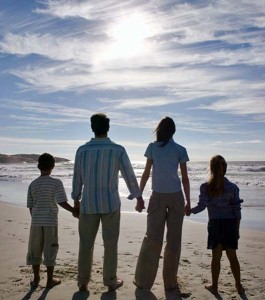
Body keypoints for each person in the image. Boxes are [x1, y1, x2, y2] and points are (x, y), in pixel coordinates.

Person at [72, 113, 144, 292]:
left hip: (88, 204)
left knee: (85, 244)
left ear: (92, 128)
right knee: (110, 244)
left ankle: (83, 282)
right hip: (110, 203)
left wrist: (76, 199)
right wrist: (138, 196)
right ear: (108, 127)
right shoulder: (117, 149)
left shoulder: (82, 150)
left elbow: (77, 177)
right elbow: (129, 174)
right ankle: (110, 281)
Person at [134, 116, 190, 291]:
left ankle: (144, 281)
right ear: (173, 131)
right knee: (173, 241)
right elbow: (185, 179)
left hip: (157, 196)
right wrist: (188, 201)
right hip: (176, 197)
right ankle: (170, 283)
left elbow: (145, 173)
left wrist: (139, 196)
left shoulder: (152, 148)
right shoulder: (180, 149)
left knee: (152, 239)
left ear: (159, 130)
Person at [187, 155, 244, 295]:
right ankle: (238, 286)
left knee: (216, 257)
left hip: (215, 224)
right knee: (232, 256)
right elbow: (237, 211)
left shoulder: (206, 187)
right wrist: (237, 228)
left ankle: (215, 286)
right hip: (230, 224)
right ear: (225, 169)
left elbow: (201, 206)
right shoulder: (233, 187)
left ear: (211, 169)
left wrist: (189, 211)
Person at [26, 153, 78, 288]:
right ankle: (49, 279)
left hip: (36, 221)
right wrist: (74, 211)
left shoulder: (32, 184)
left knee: (35, 249)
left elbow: (30, 206)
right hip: (50, 221)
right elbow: (61, 201)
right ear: (53, 167)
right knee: (51, 248)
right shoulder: (56, 182)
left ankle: (36, 278)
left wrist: (35, 218)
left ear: (38, 166)